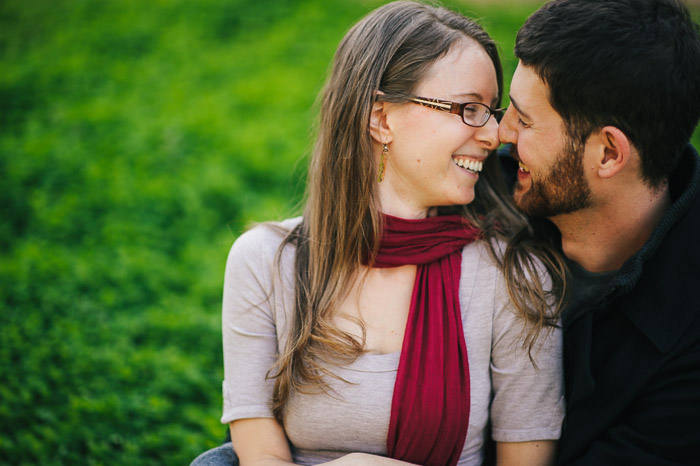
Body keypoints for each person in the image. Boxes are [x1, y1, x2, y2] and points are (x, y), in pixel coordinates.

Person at [192, 1, 566, 465]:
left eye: (491, 111)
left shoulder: (514, 279)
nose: (493, 135)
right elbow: (258, 451)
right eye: (469, 109)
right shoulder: (266, 261)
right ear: (381, 118)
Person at [498, 0, 700, 464]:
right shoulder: (485, 187)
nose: (499, 132)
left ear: (608, 153)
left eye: (524, 119)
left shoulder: (689, 339)